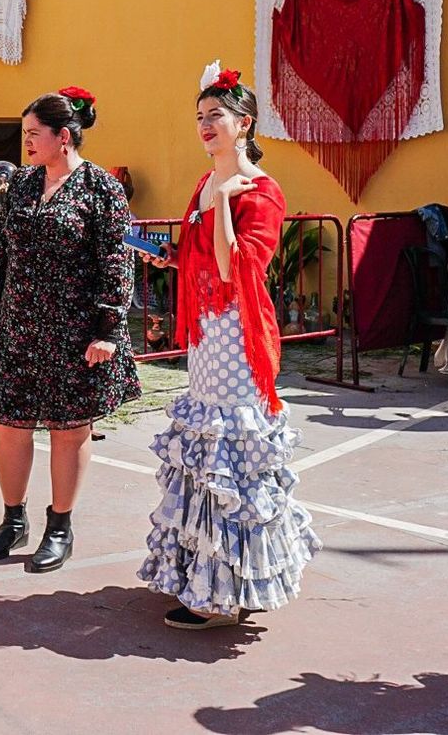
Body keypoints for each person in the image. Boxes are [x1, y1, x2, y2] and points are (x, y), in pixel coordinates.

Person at [137, 64, 320, 629]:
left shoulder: (260, 192)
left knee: (229, 454)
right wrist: (168, 256)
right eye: (199, 116)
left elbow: (232, 265)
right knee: (210, 451)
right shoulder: (206, 182)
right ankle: (212, 582)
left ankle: (224, 590)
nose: (205, 125)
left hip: (237, 336)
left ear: (245, 123)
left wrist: (221, 205)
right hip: (206, 335)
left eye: (215, 116)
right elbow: (200, 257)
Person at [0, 87, 140, 573]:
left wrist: (106, 328)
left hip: (76, 330)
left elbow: (116, 261)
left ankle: (59, 525)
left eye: (33, 134)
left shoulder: (102, 188)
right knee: (9, 425)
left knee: (68, 429)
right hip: (21, 324)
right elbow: (0, 249)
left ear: (64, 137)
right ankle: (12, 518)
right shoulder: (20, 185)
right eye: (24, 135)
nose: (26, 144)